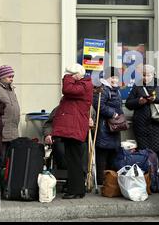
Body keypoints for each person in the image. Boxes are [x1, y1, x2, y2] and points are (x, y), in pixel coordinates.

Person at [45, 63, 93, 199]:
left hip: (75, 129)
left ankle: (75, 190)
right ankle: (76, 189)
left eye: (71, 75)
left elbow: (67, 89)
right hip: (73, 129)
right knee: (73, 161)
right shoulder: (82, 85)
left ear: (77, 75)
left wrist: (67, 77)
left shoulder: (83, 85)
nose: (67, 77)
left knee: (75, 161)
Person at [125, 64, 159, 159]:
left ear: (153, 74)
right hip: (141, 125)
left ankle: (156, 173)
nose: (145, 77)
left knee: (157, 154)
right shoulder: (137, 86)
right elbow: (128, 104)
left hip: (157, 124)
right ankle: (147, 174)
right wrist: (138, 102)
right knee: (144, 154)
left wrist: (155, 99)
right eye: (144, 75)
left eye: (148, 75)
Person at [92, 67, 123, 185]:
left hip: (114, 127)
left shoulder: (115, 90)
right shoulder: (103, 89)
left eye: (116, 77)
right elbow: (98, 105)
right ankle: (101, 182)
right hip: (104, 127)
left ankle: (111, 181)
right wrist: (113, 113)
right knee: (102, 156)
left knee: (112, 155)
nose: (115, 80)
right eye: (112, 77)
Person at [0, 65, 20, 163]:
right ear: (2, 76)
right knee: (1, 157)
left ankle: (6, 177)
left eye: (12, 77)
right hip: (2, 128)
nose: (12, 79)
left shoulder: (10, 89)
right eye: (9, 76)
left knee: (9, 159)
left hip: (12, 128)